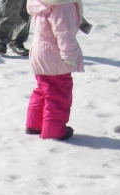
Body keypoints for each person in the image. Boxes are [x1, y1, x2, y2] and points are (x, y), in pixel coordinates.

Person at [25, 0, 85, 140]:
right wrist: (69, 54)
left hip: (39, 49)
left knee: (44, 89)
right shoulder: (62, 4)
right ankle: (54, 131)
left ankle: (35, 125)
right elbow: (64, 31)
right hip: (54, 52)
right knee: (58, 93)